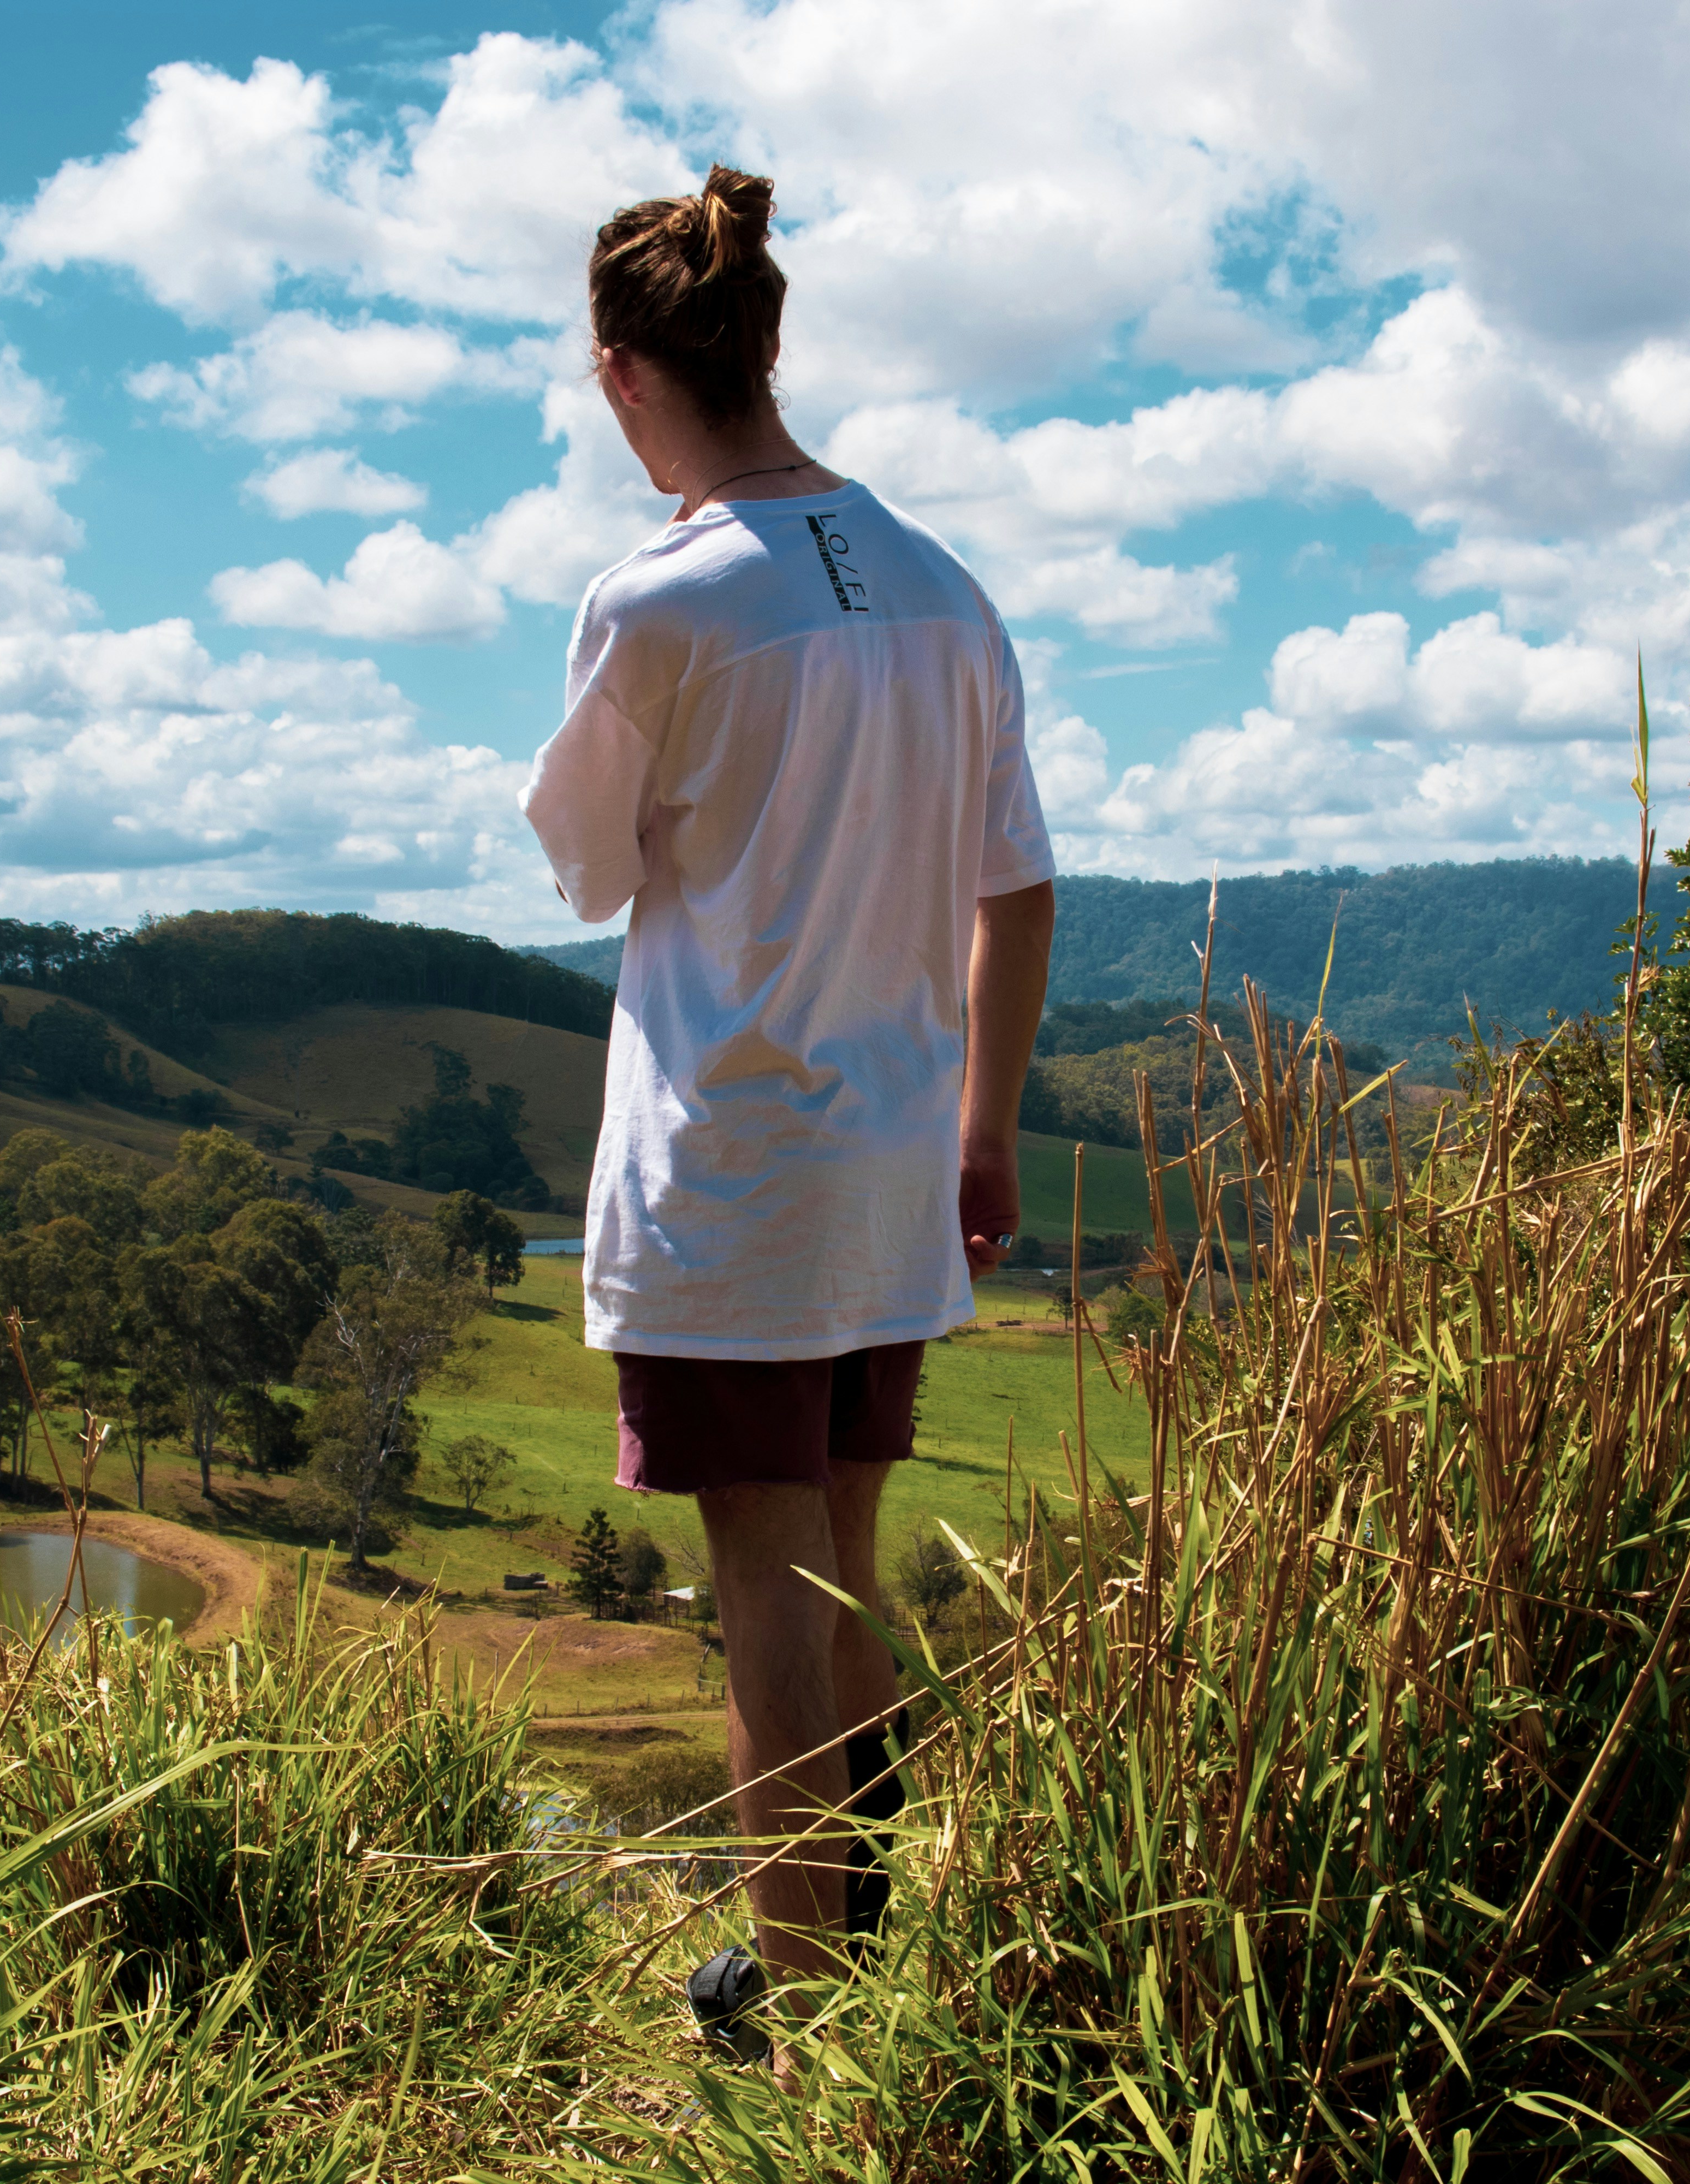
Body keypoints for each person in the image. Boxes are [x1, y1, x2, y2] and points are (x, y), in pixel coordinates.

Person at [520, 165, 1056, 2056]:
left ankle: (809, 2022)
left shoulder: (658, 601)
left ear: (621, 377)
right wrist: (985, 1130)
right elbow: (1020, 886)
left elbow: (586, 874)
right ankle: (866, 1953)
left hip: (732, 1171)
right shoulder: (942, 586)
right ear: (768, 345)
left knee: (763, 1592)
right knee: (842, 1560)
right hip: (898, 1162)